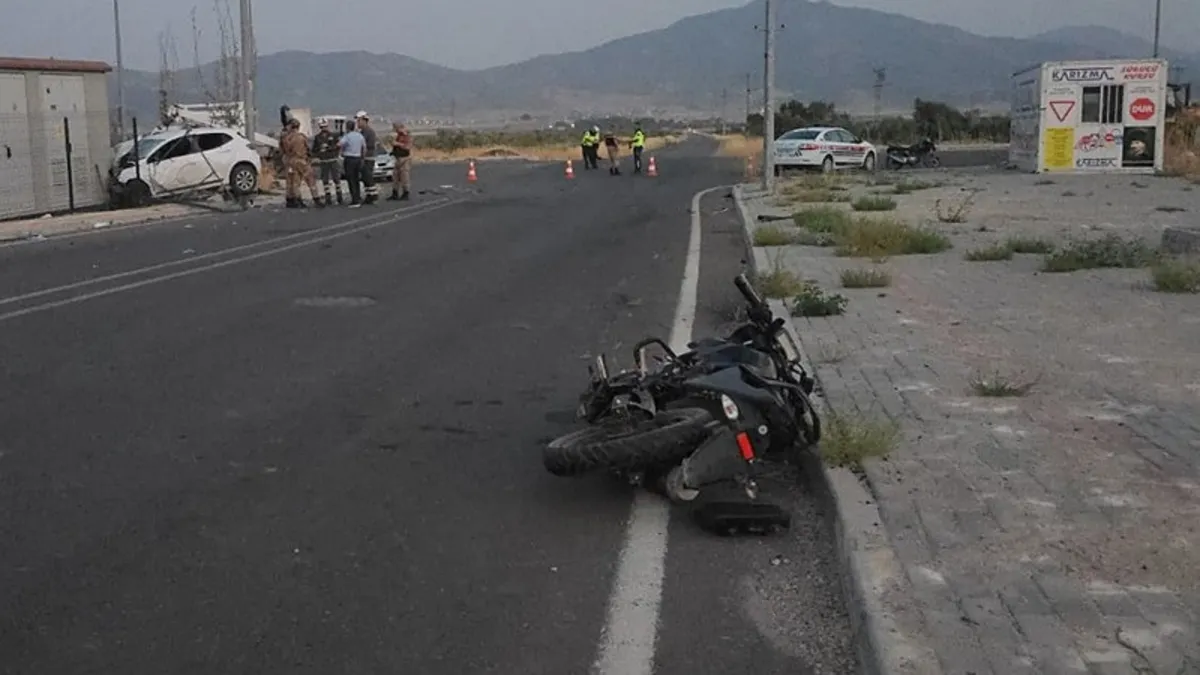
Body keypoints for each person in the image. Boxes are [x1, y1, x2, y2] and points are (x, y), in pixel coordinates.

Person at [280, 118, 321, 207]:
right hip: (302, 160)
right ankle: (316, 199)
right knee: (310, 180)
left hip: (290, 161)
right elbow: (308, 149)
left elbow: (282, 150)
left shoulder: (285, 138)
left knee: (294, 182)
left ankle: (296, 200)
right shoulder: (301, 137)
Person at [311, 118, 344, 205]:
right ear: (319, 127)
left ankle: (339, 198)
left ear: (327, 126)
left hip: (333, 160)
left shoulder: (334, 135)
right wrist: (319, 152)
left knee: (336, 179)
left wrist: (329, 148)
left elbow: (338, 146)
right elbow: (314, 150)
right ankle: (328, 198)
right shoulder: (317, 137)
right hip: (324, 161)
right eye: (322, 127)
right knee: (325, 180)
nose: (323, 128)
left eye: (325, 126)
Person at [338, 121, 367, 205]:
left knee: (351, 179)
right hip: (358, 158)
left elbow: (339, 144)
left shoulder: (347, 136)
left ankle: (355, 199)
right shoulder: (360, 136)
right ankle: (358, 196)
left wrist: (342, 151)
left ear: (347, 127)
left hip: (349, 159)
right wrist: (362, 158)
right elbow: (364, 148)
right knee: (356, 178)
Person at [356, 111, 379, 204]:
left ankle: (373, 195)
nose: (357, 123)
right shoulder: (362, 132)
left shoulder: (369, 132)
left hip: (368, 158)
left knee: (368, 176)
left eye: (359, 121)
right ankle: (369, 194)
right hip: (364, 158)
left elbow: (368, 145)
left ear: (364, 121)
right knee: (365, 177)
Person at [389, 121, 413, 201]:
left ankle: (406, 193)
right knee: (395, 176)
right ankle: (395, 193)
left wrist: (398, 144)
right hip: (398, 158)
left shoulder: (407, 136)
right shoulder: (398, 136)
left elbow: (408, 147)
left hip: (405, 158)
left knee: (404, 176)